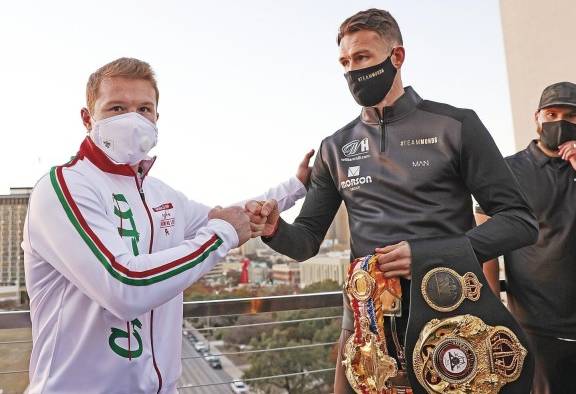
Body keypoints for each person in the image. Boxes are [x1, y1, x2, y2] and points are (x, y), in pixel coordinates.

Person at [252, 8, 538, 392]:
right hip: (366, 330)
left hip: (451, 320)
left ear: (396, 57)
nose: (352, 71)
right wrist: (274, 230)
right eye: (345, 62)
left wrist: (430, 254)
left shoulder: (456, 125)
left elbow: (520, 221)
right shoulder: (334, 148)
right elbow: (305, 241)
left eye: (362, 57)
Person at [22, 57, 312, 393]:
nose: (133, 119)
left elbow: (232, 215)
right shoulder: (65, 187)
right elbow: (124, 285)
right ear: (88, 118)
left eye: (144, 109)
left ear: (157, 118)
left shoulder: (160, 194)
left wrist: (296, 187)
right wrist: (221, 236)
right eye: (117, 108)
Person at [479, 81, 576, 394]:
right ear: (537, 117)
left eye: (570, 115)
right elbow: (487, 244)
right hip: (541, 331)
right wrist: (492, 312)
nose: (559, 122)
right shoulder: (508, 171)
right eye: (551, 113)